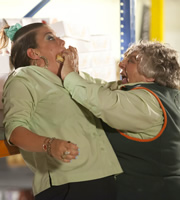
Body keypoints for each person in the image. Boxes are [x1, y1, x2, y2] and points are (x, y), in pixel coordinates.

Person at [0, 22, 122, 200]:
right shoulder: (24, 78)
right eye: (51, 38)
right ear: (34, 53)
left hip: (103, 175)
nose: (62, 42)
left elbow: (109, 92)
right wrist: (49, 144)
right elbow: (15, 132)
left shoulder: (75, 77)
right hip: (67, 184)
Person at [60, 40, 180, 200]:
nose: (121, 64)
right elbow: (102, 88)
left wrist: (69, 75)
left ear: (151, 74)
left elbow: (103, 101)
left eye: (131, 61)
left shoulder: (145, 102)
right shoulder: (169, 95)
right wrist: (75, 73)